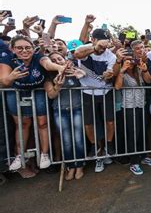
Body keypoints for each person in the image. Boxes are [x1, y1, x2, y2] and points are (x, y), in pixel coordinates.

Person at [0, 36, 66, 172]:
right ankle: (20, 155)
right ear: (13, 49)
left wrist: (60, 68)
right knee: (23, 124)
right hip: (16, 91)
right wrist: (11, 77)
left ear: (32, 48)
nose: (24, 50)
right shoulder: (7, 59)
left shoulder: (38, 56)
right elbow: (4, 81)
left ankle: (44, 154)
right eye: (20, 48)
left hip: (38, 90)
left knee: (42, 122)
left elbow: (47, 64)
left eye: (28, 47)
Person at [74, 29, 116, 173]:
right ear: (93, 40)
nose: (103, 49)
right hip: (88, 92)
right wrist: (94, 48)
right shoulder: (85, 49)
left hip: (105, 91)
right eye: (101, 46)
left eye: (105, 46)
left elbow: (110, 71)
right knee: (89, 123)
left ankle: (109, 144)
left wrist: (108, 74)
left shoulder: (110, 55)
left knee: (110, 121)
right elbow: (77, 54)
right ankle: (93, 145)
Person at [44, 52, 86, 180]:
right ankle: (71, 166)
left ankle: (80, 166)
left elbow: (88, 82)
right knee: (67, 141)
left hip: (77, 109)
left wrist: (82, 75)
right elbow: (51, 95)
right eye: (54, 60)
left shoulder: (75, 71)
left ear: (65, 59)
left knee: (78, 140)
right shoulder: (49, 77)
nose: (58, 61)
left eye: (59, 58)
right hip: (60, 111)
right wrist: (58, 85)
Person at [114, 50, 151, 175]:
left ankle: (143, 156)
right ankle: (134, 162)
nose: (130, 62)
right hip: (129, 107)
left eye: (132, 59)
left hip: (141, 105)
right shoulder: (122, 73)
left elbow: (149, 81)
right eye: (127, 59)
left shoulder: (139, 70)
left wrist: (144, 70)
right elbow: (118, 87)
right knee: (133, 133)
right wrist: (122, 71)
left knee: (142, 132)